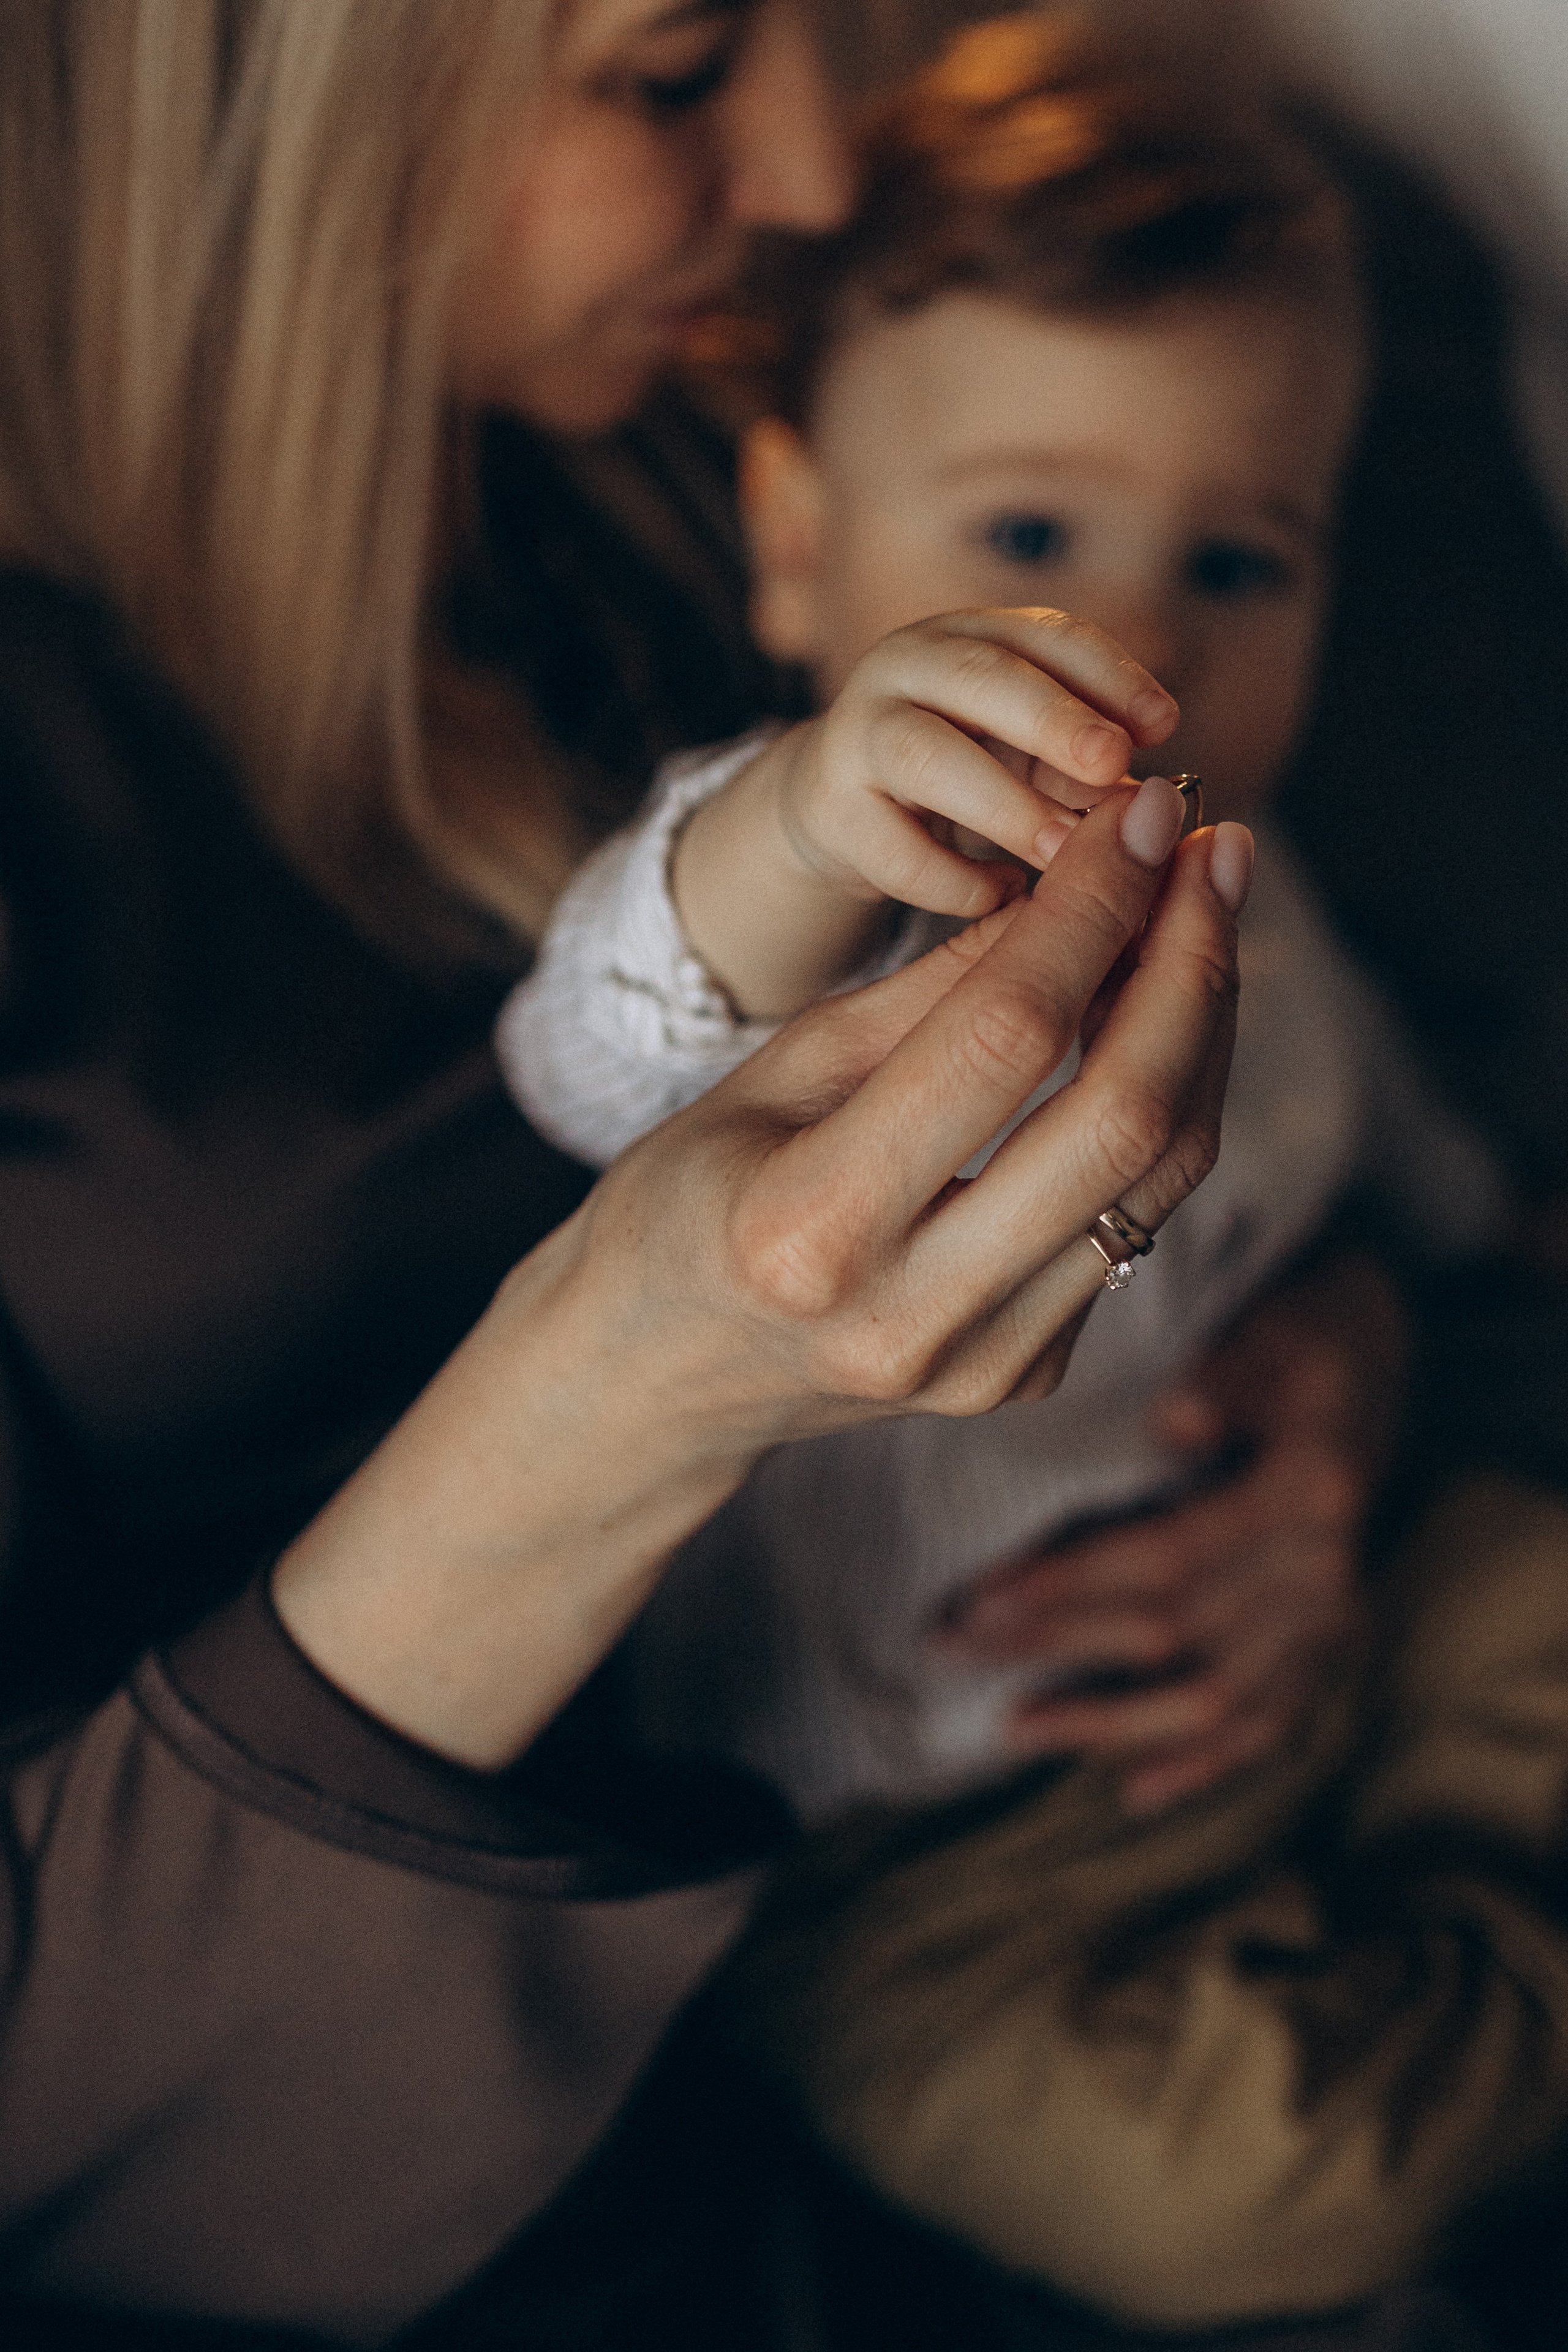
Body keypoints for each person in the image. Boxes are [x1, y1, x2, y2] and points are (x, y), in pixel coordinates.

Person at [0, 2, 1250, 2342]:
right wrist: (622, 1397)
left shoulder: (709, 444)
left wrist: (1310, 1377)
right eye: (673, 68)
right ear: (249, 96)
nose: (808, 173)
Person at [495, 12, 1568, 2329]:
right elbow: (585, 1053)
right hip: (911, 1858)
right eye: (1023, 537)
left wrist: (1384, 1310)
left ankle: (1435, 1911)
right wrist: (792, 807)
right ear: (798, 549)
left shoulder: (1288, 935)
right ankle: (1459, 1991)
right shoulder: (808, 899)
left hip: (1327, 1636)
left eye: (1242, 560)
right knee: (1243, 2193)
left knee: (1538, 1594)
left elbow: (1422, 1181)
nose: (1143, 641)